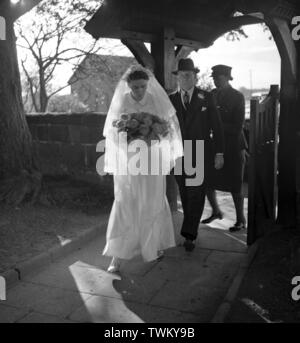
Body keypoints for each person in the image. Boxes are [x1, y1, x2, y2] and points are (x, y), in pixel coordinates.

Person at [102, 65, 183, 272]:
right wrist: (129, 138)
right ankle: (117, 255)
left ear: (148, 85)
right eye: (135, 87)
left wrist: (154, 136)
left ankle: (153, 246)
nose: (139, 91)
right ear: (128, 86)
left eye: (142, 86)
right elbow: (112, 133)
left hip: (153, 158)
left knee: (152, 200)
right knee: (126, 201)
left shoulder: (156, 100)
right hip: (129, 160)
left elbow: (169, 130)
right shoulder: (122, 102)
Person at [169, 58, 224, 252]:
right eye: (182, 74)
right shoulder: (170, 99)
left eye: (189, 74)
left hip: (200, 151)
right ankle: (190, 227)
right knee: (185, 193)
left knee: (196, 194)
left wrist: (219, 152)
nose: (186, 77)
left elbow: (217, 127)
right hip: (178, 155)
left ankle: (189, 235)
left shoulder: (206, 97)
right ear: (177, 77)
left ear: (195, 76)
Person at [201, 65, 247, 232]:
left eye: (218, 77)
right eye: (214, 77)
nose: (215, 80)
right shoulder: (210, 95)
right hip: (215, 146)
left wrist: (215, 125)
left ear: (227, 78)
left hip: (234, 146)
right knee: (208, 181)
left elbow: (237, 126)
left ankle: (241, 220)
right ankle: (216, 211)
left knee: (235, 184)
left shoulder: (237, 96)